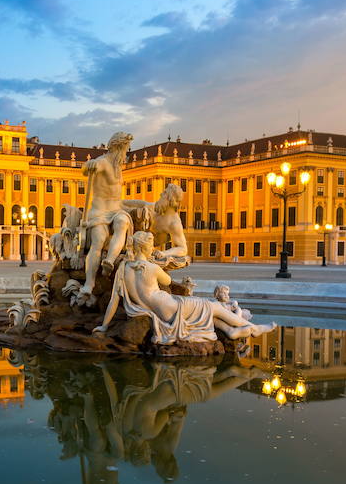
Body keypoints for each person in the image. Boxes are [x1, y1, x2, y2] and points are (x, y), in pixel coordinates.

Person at [95, 232, 275, 345]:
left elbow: (113, 301)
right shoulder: (152, 268)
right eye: (151, 245)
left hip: (160, 311)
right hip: (172, 307)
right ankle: (253, 327)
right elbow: (166, 280)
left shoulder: (123, 269)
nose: (153, 248)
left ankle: (231, 331)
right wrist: (160, 261)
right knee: (213, 306)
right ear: (144, 247)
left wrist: (104, 326)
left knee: (208, 312)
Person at [76, 132, 135, 303]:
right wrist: (89, 164)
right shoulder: (102, 162)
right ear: (117, 147)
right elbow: (85, 169)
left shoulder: (119, 167)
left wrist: (141, 205)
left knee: (123, 222)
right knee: (98, 240)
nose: (126, 153)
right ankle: (89, 283)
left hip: (116, 210)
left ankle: (109, 261)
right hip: (99, 212)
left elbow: (119, 197)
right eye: (125, 149)